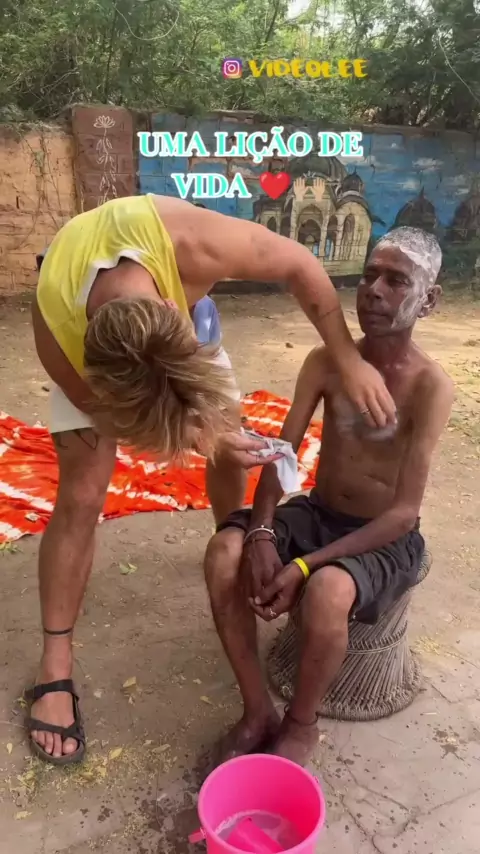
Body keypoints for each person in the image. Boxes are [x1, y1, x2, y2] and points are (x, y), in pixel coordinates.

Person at [27, 193, 396, 764]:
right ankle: (55, 661)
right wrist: (195, 435)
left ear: (173, 310)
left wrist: (347, 358)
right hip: (93, 357)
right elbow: (131, 418)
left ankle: (231, 539)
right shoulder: (58, 333)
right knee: (80, 495)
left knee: (230, 438)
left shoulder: (195, 246)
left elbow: (301, 264)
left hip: (178, 318)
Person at [204, 226, 455, 768]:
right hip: (318, 513)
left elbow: (403, 513)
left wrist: (305, 564)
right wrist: (262, 530)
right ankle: (256, 710)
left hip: (381, 536)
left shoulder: (430, 386)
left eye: (396, 281)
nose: (374, 291)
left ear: (428, 300)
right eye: (369, 275)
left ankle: (301, 723)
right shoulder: (325, 362)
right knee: (224, 551)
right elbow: (283, 453)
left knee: (327, 591)